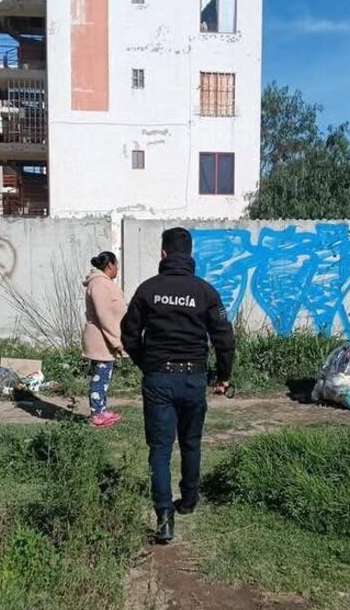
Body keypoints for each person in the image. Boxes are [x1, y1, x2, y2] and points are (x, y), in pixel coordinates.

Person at [121, 227, 235, 544]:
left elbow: (129, 335)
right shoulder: (206, 292)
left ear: (163, 254)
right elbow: (225, 339)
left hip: (158, 378)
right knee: (190, 443)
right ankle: (188, 500)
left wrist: (147, 363)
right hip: (193, 378)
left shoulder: (147, 290)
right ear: (190, 254)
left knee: (159, 448)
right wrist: (224, 375)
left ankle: (164, 517)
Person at [82, 251, 127, 428]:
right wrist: (116, 341)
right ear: (110, 265)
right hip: (101, 339)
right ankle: (97, 413)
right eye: (117, 265)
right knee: (100, 376)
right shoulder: (99, 284)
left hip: (106, 338)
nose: (117, 269)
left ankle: (102, 408)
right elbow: (104, 316)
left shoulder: (104, 283)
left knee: (105, 375)